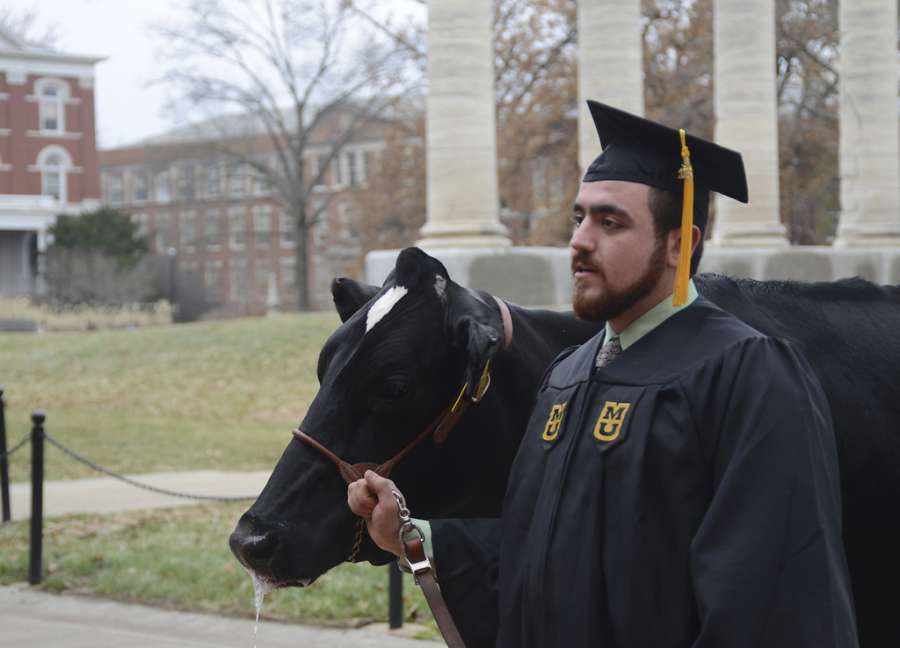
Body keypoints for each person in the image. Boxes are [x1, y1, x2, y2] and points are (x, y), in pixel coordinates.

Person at [348, 102, 859, 648]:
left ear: (679, 245)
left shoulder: (746, 374)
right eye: (579, 217)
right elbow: (540, 557)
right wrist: (414, 537)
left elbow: (772, 599)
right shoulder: (567, 376)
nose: (580, 241)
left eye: (610, 221)